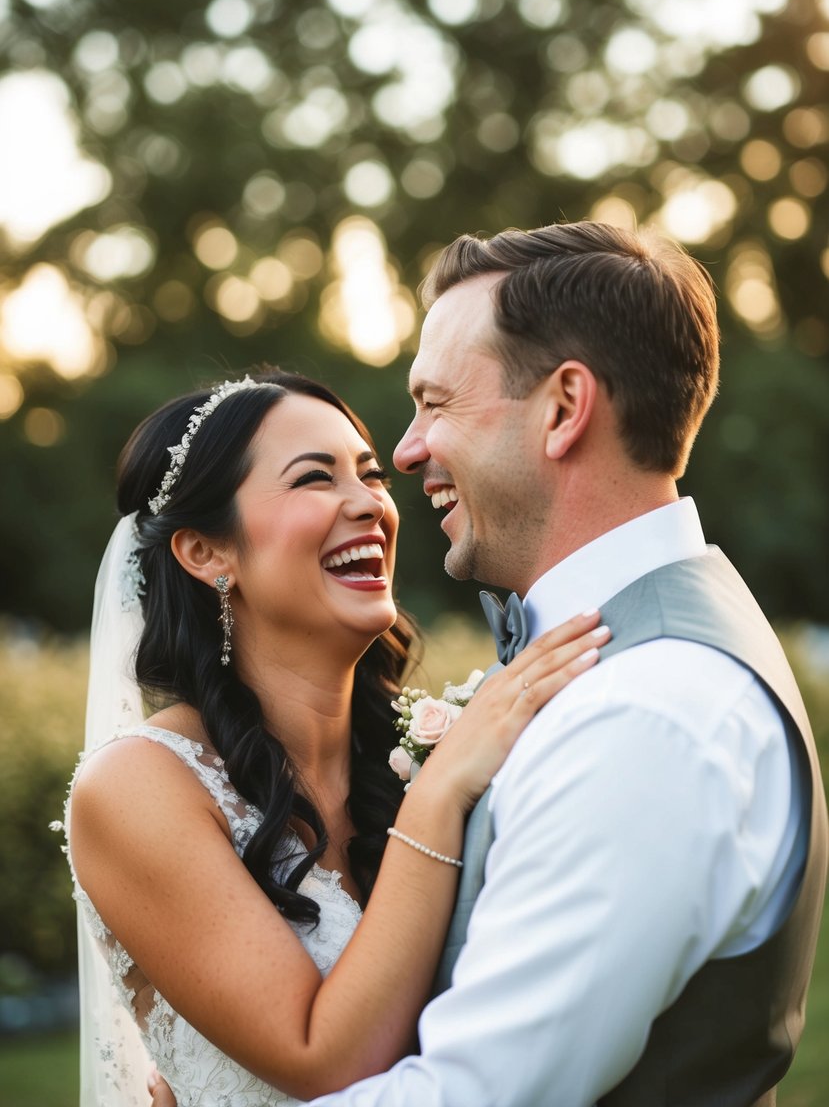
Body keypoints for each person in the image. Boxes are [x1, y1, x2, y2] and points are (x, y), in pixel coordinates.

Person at [294, 221, 824, 1105]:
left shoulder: (643, 715)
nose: (406, 449)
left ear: (564, 407)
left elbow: (479, 1094)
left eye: (436, 403)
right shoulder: (636, 662)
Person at [65, 367, 609, 1106]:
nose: (370, 505)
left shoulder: (426, 749)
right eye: (313, 480)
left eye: (372, 474)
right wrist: (441, 791)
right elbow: (324, 1062)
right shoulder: (137, 788)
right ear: (205, 553)